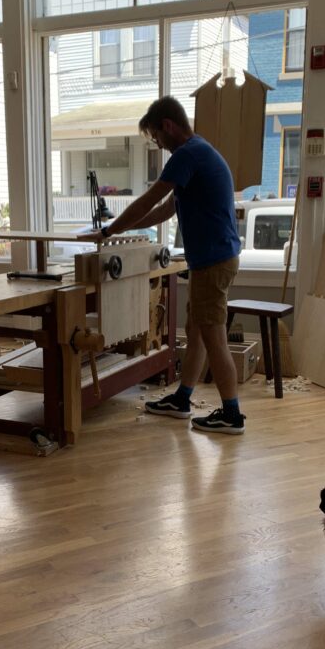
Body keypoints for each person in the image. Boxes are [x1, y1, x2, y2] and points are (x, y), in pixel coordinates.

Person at [79, 95, 244, 435]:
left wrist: (109, 230)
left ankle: (232, 414)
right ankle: (182, 399)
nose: (158, 144)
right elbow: (166, 211)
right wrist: (121, 229)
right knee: (198, 332)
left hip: (213, 261)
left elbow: (147, 201)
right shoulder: (199, 152)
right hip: (213, 259)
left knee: (213, 337)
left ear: (167, 126)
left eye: (156, 136)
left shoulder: (187, 155)